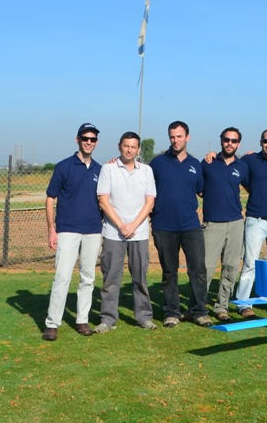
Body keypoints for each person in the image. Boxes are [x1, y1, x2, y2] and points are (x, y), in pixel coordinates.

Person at [41, 123, 103, 341]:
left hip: (93, 230)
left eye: (92, 139)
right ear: (78, 140)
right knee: (62, 277)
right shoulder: (63, 167)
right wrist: (52, 229)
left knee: (88, 277)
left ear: (96, 142)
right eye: (85, 138)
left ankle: (82, 320)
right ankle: (52, 323)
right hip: (67, 230)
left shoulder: (100, 169)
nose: (89, 142)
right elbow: (50, 198)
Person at [95, 131, 157, 333]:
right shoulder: (108, 169)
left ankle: (144, 317)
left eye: (133, 147)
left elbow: (150, 201)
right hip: (114, 232)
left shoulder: (146, 171)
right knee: (111, 277)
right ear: (119, 146)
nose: (129, 150)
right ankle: (108, 319)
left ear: (138, 149)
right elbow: (103, 200)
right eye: (126, 146)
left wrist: (133, 225)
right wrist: (121, 225)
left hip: (139, 233)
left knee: (140, 277)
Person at [150, 121, 210, 328]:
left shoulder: (195, 164)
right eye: (172, 137)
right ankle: (172, 312)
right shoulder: (157, 163)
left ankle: (199, 311)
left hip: (190, 226)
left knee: (198, 270)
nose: (175, 140)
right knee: (169, 272)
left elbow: (201, 190)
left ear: (187, 137)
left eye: (179, 136)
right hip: (164, 226)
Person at [234, 129, 267, 317]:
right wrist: (212, 155)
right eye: (266, 141)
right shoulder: (250, 160)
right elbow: (232, 164)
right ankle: (244, 304)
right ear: (260, 142)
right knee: (249, 264)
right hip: (255, 220)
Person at [200, 127, 249, 322]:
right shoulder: (208, 163)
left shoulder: (243, 166)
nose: (230, 143)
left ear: (238, 144)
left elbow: (254, 186)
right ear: (221, 141)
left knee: (230, 267)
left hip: (236, 223)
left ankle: (222, 306)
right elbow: (198, 189)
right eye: (227, 140)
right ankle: (199, 307)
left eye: (234, 141)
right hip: (213, 224)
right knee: (206, 268)